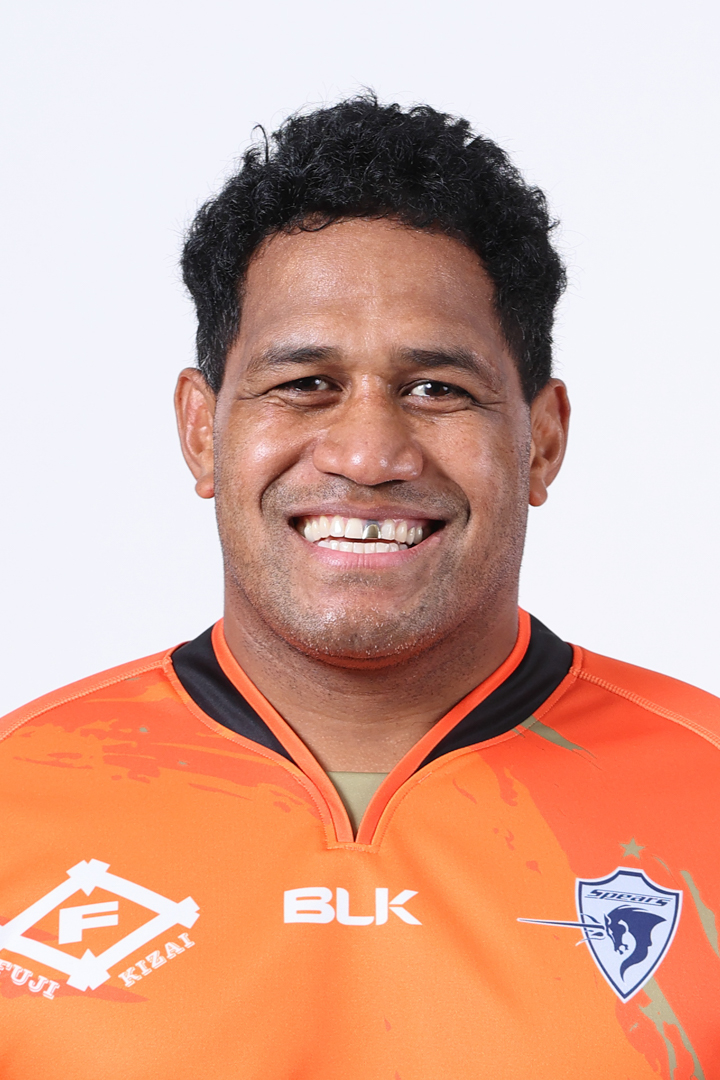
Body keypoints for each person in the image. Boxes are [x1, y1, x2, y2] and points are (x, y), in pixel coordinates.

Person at [0, 95, 717, 1080]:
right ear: (202, 431)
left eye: (437, 389)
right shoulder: (18, 799)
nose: (370, 454)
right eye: (305, 384)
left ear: (543, 441)